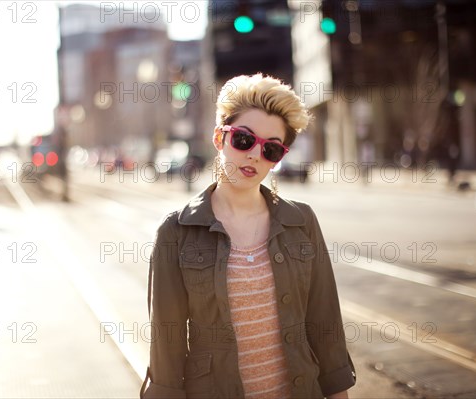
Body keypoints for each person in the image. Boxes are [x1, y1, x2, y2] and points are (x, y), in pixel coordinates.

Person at [141, 74, 356, 399]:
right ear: (219, 138)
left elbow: (326, 330)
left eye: (271, 149)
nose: (255, 155)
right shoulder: (176, 232)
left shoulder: (303, 222)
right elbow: (166, 352)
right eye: (244, 140)